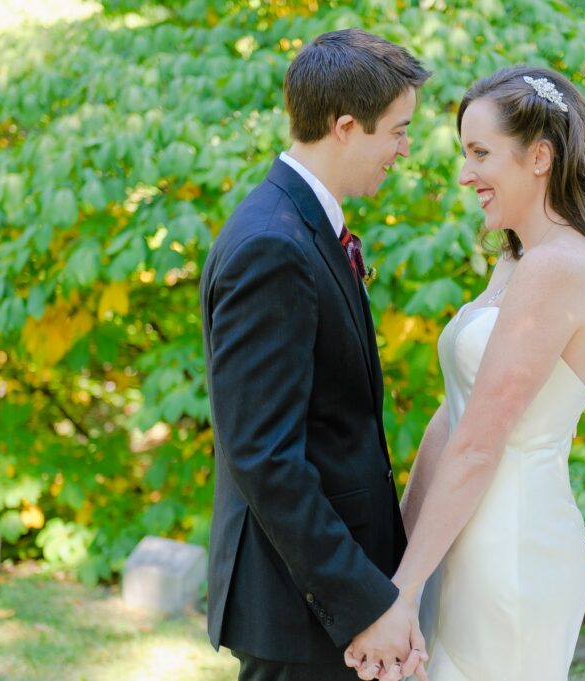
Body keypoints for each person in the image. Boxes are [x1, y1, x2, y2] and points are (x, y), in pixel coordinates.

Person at [346, 66, 585, 680]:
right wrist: (399, 554)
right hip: (461, 538)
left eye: (480, 153)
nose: (464, 174)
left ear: (540, 156)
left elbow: (481, 443)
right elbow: (453, 416)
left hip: (511, 551)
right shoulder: (517, 260)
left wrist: (400, 590)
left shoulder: (558, 266)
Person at [200, 29, 431, 681]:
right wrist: (363, 602)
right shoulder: (272, 245)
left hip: (318, 596)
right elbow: (265, 456)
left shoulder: (299, 223)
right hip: (298, 607)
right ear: (347, 126)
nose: (403, 149)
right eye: (397, 130)